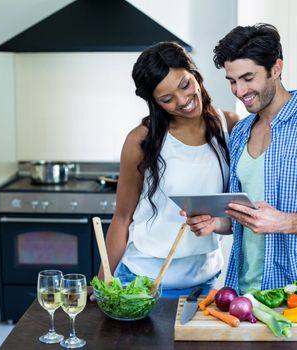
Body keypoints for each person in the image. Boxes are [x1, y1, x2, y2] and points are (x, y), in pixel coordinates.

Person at [186, 23, 297, 301]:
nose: (239, 90)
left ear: (276, 68)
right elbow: (246, 218)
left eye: (248, 78)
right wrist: (215, 224)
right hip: (246, 294)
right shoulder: (241, 132)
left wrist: (284, 222)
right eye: (232, 81)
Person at [99, 42, 239, 298]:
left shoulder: (231, 126)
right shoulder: (141, 140)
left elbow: (240, 212)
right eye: (167, 99)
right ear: (155, 103)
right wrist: (102, 283)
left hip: (204, 282)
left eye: (185, 85)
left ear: (194, 73)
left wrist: (216, 223)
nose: (183, 101)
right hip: (141, 283)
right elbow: (122, 218)